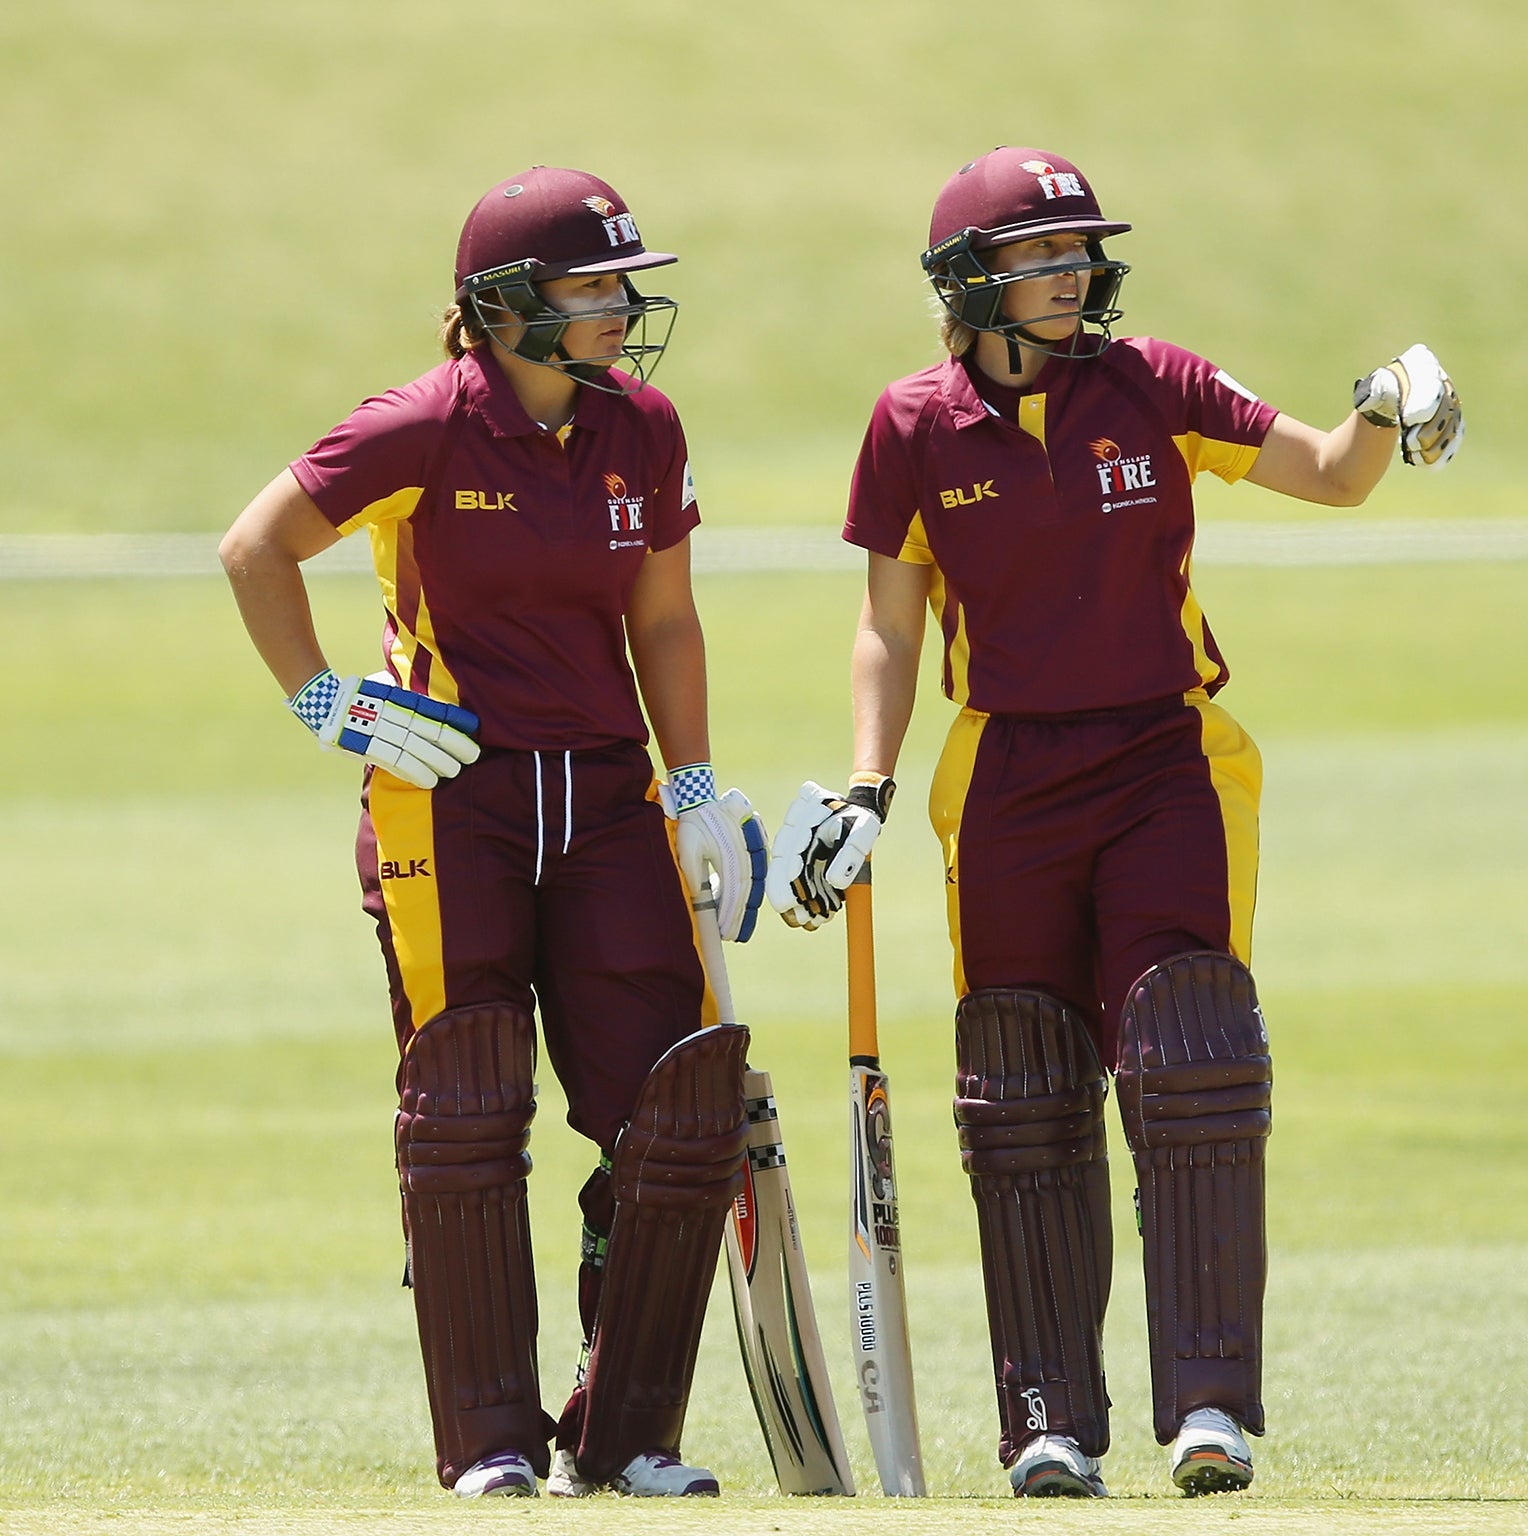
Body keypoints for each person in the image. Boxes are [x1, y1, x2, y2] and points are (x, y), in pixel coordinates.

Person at [764, 147, 1463, 1498]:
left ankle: (1211, 1412)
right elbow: (885, 626)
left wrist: (1386, 406)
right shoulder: (911, 425)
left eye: (1081, 252)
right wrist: (865, 781)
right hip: (1006, 776)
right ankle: (1047, 1424)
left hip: (1168, 759)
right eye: (1043, 256)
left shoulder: (1155, 386)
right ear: (973, 280)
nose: (1075, 272)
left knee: (1191, 1055)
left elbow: (1332, 475)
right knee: (1022, 1092)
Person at [218, 167, 767, 1498]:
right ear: (508, 306)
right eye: (591, 290)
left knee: (670, 1112)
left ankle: (627, 1432)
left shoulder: (645, 427)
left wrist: (694, 792)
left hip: (606, 798)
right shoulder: (414, 428)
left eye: (622, 286)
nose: (623, 311)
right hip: (449, 795)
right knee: (467, 1108)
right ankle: (491, 1448)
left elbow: (666, 624)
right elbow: (256, 547)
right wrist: (327, 699)